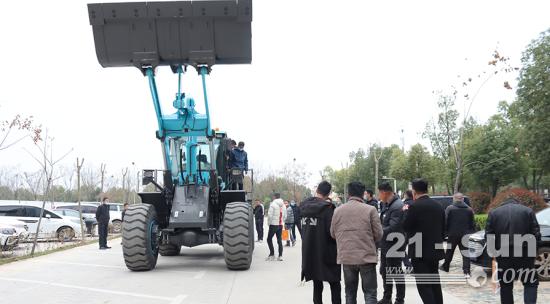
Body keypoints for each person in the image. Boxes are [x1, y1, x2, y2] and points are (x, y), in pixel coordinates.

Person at [331, 181, 382, 304]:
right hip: (366, 258)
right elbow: (379, 234)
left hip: (347, 257)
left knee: (350, 293)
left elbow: (333, 233)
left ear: (348, 193)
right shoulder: (370, 210)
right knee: (370, 294)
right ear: (363, 194)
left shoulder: (338, 211)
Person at [485, 196, 540, 304]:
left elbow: (489, 236)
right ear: (517, 202)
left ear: (503, 203)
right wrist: (533, 253)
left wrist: (493, 256)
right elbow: (536, 234)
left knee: (506, 285)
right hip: (525, 253)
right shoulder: (528, 211)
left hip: (503, 253)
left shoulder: (494, 213)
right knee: (530, 283)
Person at [402, 178, 445, 304]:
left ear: (414, 192)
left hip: (419, 252)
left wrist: (405, 213)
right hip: (435, 251)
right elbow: (443, 228)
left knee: (424, 286)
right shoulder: (438, 206)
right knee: (434, 283)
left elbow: (406, 226)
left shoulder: (414, 206)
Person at [301, 181, 341, 304]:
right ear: (328, 193)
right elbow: (333, 232)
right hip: (327, 250)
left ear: (317, 190)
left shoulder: (303, 206)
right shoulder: (328, 209)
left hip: (309, 251)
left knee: (317, 283)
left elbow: (300, 228)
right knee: (334, 283)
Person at [377, 182, 406, 304]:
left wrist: (377, 231)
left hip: (395, 244)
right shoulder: (387, 204)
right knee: (384, 271)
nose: (379, 195)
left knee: (395, 272)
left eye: (379, 193)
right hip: (385, 245)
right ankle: (387, 297)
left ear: (384, 192)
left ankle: (399, 299)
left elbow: (393, 227)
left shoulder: (397, 205)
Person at [440, 192, 474, 277]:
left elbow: (445, 221)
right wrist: (470, 232)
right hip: (465, 234)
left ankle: (446, 267)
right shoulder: (469, 209)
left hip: (453, 234)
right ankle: (466, 271)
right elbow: (472, 223)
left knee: (449, 252)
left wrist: (445, 233)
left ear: (454, 199)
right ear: (462, 199)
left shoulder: (450, 208)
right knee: (465, 253)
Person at [266, 193, 286, 261]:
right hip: (280, 224)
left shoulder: (273, 204)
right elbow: (285, 215)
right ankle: (280, 256)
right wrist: (282, 221)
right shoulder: (283, 205)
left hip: (274, 224)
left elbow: (270, 215)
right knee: (279, 240)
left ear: (274, 197)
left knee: (269, 239)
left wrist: (269, 223)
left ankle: (272, 254)